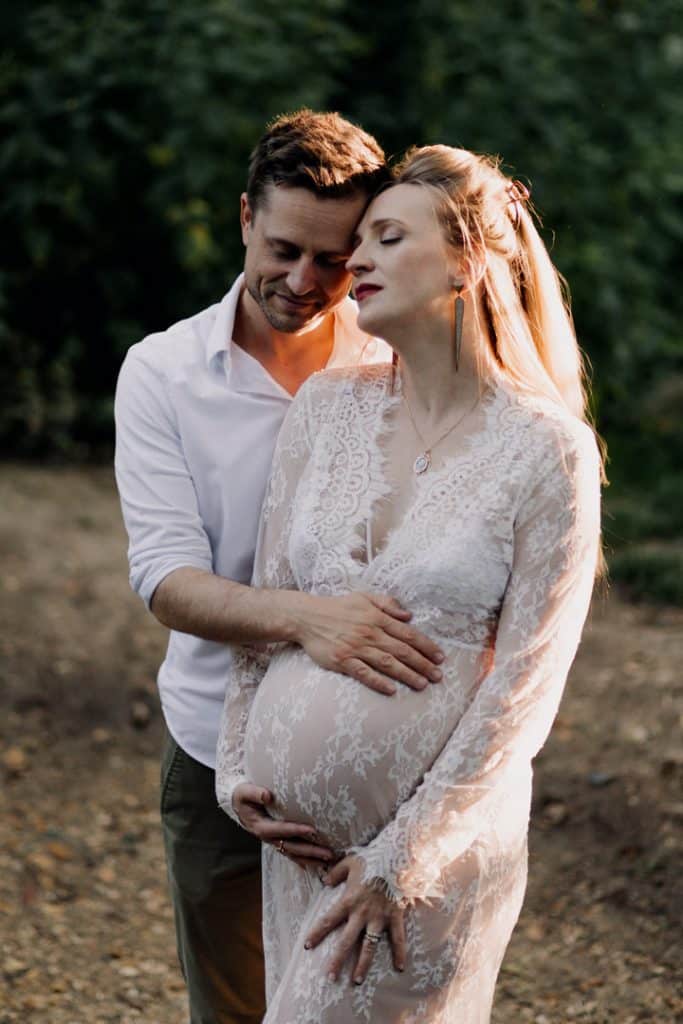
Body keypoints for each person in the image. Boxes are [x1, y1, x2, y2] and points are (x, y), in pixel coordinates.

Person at [216, 144, 603, 1022]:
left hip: (429, 865)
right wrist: (235, 770)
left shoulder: (547, 450)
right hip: (300, 852)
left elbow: (525, 690)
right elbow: (268, 613)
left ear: (467, 258)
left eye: (387, 239)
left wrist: (404, 857)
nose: (355, 261)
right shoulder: (325, 408)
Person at [114, 112, 447, 1024]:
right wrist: (308, 618)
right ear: (243, 220)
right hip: (212, 756)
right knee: (231, 1010)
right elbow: (165, 579)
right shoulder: (161, 373)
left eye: (334, 260)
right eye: (284, 249)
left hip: (380, 766)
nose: (305, 283)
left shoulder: (397, 361)